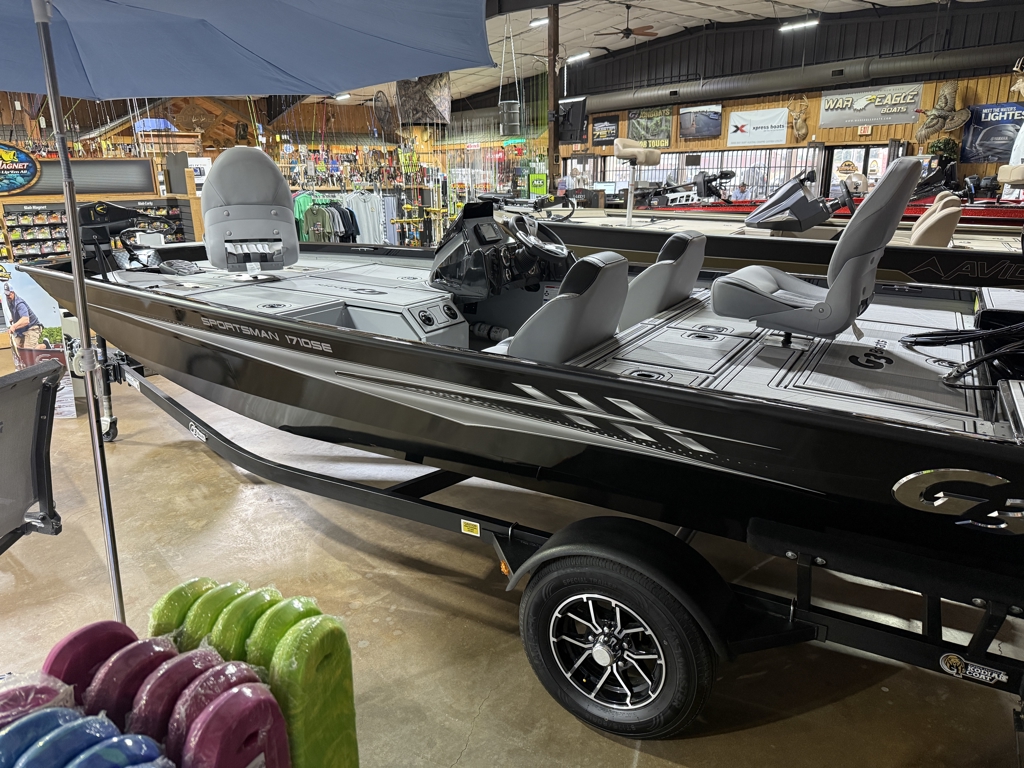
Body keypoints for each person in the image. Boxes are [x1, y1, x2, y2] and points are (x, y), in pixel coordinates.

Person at [3, 282, 45, 350]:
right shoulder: (9, 300)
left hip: (32, 327)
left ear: (13, 292)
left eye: (9, 294)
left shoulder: (20, 304)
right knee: (16, 348)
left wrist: (14, 326)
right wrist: (13, 318)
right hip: (21, 330)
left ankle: (44, 346)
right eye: (6, 295)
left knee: (28, 351)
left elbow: (26, 320)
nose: (8, 297)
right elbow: (13, 311)